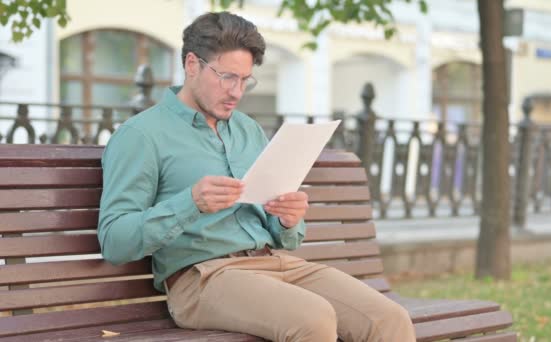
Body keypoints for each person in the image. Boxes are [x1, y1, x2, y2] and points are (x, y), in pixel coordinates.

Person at [98, 11, 415, 342]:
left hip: (274, 264)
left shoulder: (248, 130)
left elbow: (285, 236)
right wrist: (190, 203)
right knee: (312, 318)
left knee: (389, 319)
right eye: (227, 77)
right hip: (203, 278)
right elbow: (115, 241)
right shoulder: (142, 135)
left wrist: (288, 221)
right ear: (192, 65)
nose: (237, 92)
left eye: (245, 80)